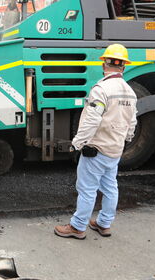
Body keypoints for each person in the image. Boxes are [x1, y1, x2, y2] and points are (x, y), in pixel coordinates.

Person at [54, 43, 137, 239]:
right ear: (123, 67)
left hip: (97, 148)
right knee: (110, 187)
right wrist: (125, 139)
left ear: (104, 65)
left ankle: (78, 226)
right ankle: (103, 224)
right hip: (115, 149)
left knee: (87, 188)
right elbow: (132, 122)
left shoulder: (101, 89)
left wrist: (77, 143)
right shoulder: (130, 92)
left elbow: (92, 120)